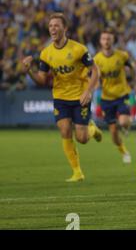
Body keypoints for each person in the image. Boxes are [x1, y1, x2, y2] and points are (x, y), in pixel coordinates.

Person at [20, 13, 103, 182]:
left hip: (80, 97)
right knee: (65, 130)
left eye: (56, 25)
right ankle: (77, 172)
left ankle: (92, 129)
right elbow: (42, 80)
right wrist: (29, 70)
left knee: (82, 138)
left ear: (65, 28)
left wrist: (88, 91)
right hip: (60, 98)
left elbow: (95, 70)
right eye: (50, 26)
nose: (53, 29)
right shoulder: (46, 54)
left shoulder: (79, 49)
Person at [94, 28, 136, 164]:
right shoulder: (97, 59)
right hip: (106, 98)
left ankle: (126, 127)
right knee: (113, 133)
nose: (106, 41)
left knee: (124, 121)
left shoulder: (122, 55)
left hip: (122, 94)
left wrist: (135, 84)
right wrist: (95, 84)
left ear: (113, 40)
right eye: (104, 39)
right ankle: (124, 151)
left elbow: (133, 68)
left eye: (109, 39)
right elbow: (95, 77)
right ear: (100, 41)